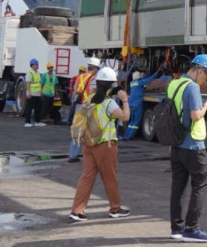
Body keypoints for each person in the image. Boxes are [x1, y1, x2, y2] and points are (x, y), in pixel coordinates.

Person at [68, 67, 131, 221]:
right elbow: (125, 117)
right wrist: (124, 100)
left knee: (86, 177)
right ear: (111, 85)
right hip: (105, 145)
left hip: (89, 143)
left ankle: (77, 211)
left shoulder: (90, 98)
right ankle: (115, 209)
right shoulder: (108, 103)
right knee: (110, 177)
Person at [169, 54, 207, 243]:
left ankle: (176, 228)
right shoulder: (192, 87)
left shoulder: (174, 84)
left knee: (178, 187)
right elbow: (196, 115)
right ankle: (192, 229)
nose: (206, 79)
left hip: (176, 144)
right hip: (193, 145)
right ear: (199, 70)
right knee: (201, 183)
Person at [68, 58, 101, 162]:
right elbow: (93, 93)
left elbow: (75, 92)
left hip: (79, 106)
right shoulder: (94, 79)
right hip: (88, 107)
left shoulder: (80, 77)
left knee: (78, 131)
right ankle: (93, 156)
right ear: (95, 68)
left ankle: (73, 155)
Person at [123, 65, 166, 140]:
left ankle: (126, 135)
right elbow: (149, 79)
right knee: (136, 122)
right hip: (137, 104)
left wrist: (147, 74)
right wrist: (157, 72)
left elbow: (143, 79)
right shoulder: (140, 82)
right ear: (139, 77)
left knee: (132, 121)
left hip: (130, 103)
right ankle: (128, 137)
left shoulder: (133, 83)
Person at [23, 58, 43, 127]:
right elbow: (28, 83)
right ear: (32, 65)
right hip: (31, 93)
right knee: (29, 108)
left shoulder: (38, 73)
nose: (37, 65)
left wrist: (41, 92)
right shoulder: (30, 73)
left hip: (37, 93)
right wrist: (28, 92)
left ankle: (37, 121)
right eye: (36, 64)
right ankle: (27, 122)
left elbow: (40, 83)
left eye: (37, 64)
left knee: (38, 108)